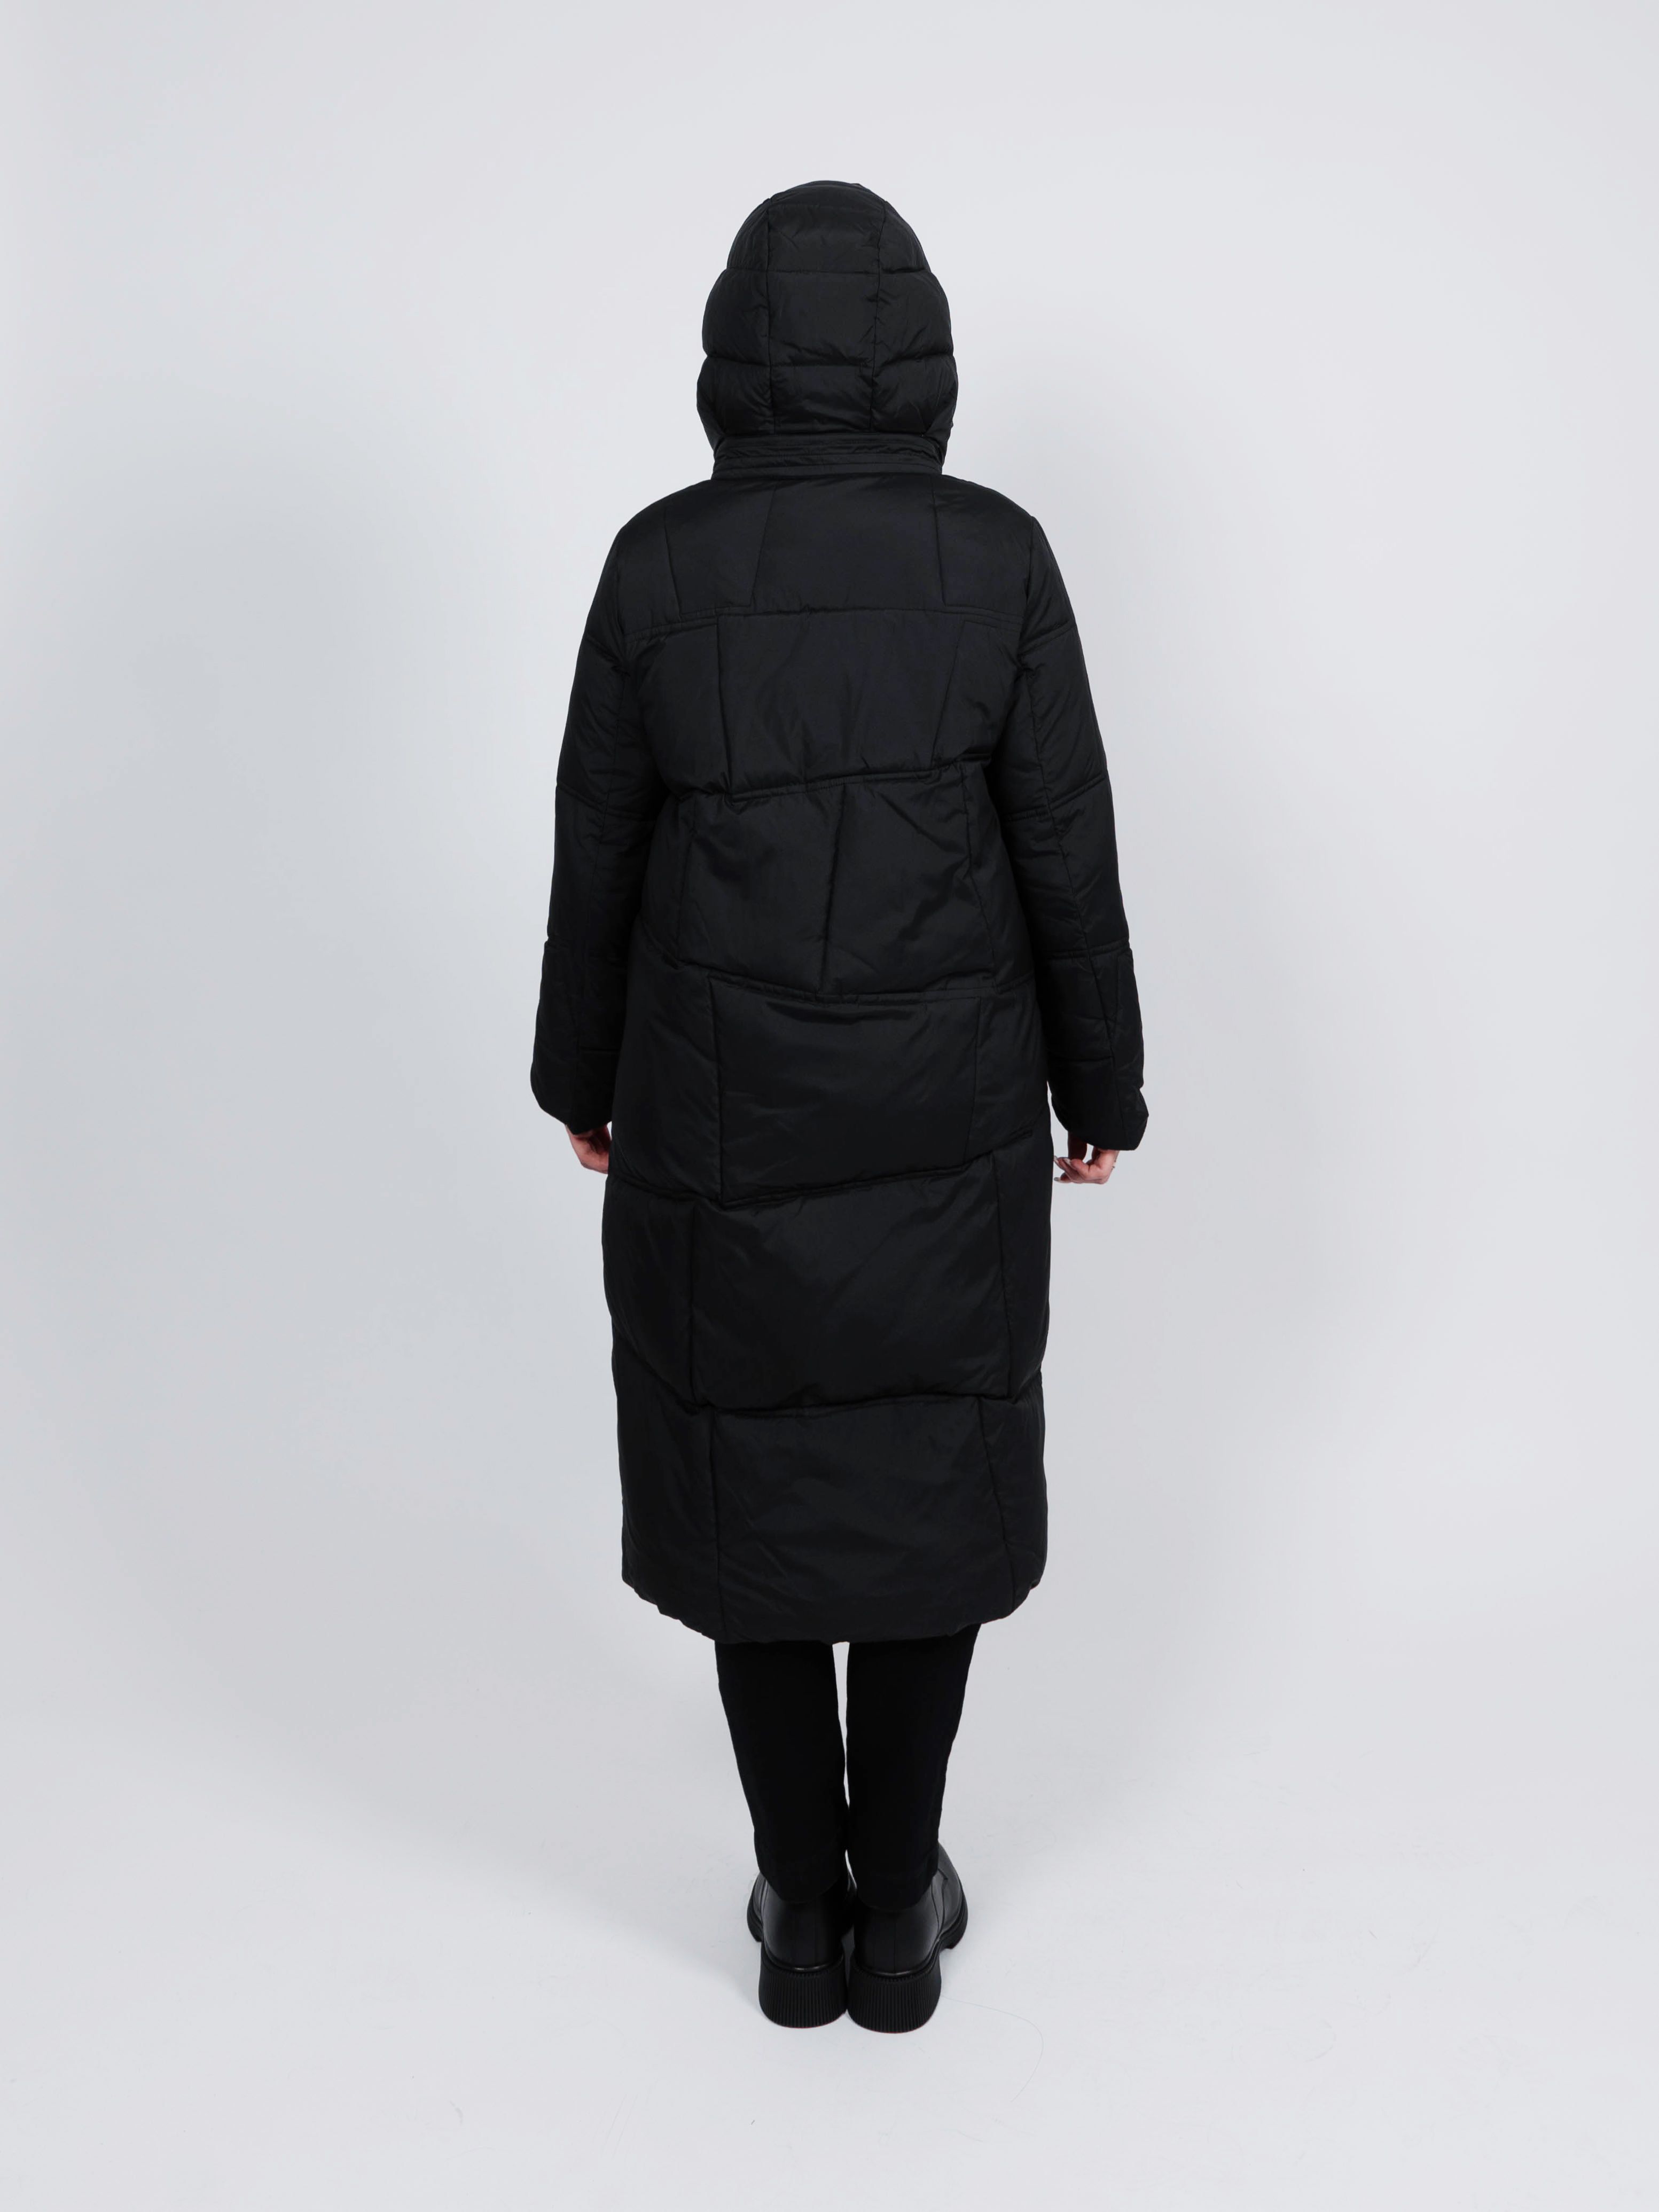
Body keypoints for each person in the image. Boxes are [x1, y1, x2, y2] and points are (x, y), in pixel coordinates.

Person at [531, 181, 1146, 2033]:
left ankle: (799, 1911)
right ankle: (897, 1921)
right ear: (921, 359)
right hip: (943, 1124)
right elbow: (1064, 849)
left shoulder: (659, 567)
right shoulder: (997, 558)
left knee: (757, 1494)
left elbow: (597, 851)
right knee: (918, 1488)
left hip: (717, 1120)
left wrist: (580, 1077)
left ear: (732, 355)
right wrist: (1101, 1082)